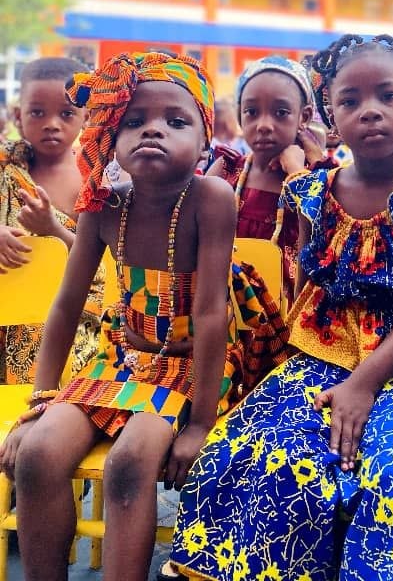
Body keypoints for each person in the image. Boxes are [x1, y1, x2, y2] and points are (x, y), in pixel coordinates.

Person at [169, 33, 393, 581]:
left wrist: (364, 384)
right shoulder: (311, 195)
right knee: (249, 454)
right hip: (317, 360)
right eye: (350, 101)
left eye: (387, 95)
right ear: (329, 115)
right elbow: (302, 291)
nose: (370, 112)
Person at [0, 51, 247, 581]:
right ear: (111, 134)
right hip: (124, 357)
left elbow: (209, 316)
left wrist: (201, 423)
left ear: (204, 138)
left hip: (193, 367)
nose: (152, 131)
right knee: (38, 454)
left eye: (175, 121)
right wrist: (41, 399)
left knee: (130, 463)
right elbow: (65, 306)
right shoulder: (103, 205)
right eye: (134, 121)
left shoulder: (211, 198)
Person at [0, 56, 103, 384]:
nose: (52, 123)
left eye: (66, 113)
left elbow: (103, 263)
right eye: (37, 112)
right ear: (18, 115)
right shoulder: (6, 166)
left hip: (67, 322)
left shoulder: (94, 179)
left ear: (85, 118)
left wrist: (52, 230)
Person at [206, 55, 320, 306]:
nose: (264, 125)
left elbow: (320, 247)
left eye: (281, 112)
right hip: (224, 313)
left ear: (304, 116)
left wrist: (296, 172)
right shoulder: (226, 171)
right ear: (239, 117)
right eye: (252, 112)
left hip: (288, 317)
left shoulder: (316, 179)